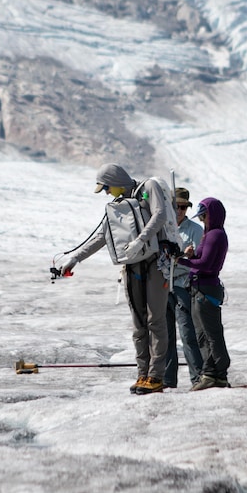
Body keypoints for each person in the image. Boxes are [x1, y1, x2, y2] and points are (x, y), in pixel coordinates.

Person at [58, 163, 172, 395]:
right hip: (132, 266)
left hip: (156, 261)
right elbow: (101, 236)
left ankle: (155, 376)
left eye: (107, 188)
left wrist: (140, 240)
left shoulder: (147, 187)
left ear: (117, 181)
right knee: (139, 323)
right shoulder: (116, 208)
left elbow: (159, 215)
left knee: (155, 321)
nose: (107, 193)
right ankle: (143, 373)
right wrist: (75, 258)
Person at [176, 197, 231, 389]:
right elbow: (202, 258)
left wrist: (181, 261)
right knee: (202, 334)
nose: (201, 220)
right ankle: (211, 373)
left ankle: (216, 374)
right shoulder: (211, 234)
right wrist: (191, 255)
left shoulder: (215, 235)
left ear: (212, 215)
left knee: (210, 334)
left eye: (204, 216)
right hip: (201, 288)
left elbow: (206, 265)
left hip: (206, 289)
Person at [163, 187, 204, 389]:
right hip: (163, 286)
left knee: (188, 334)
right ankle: (167, 380)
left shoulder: (196, 230)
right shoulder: (162, 228)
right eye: (176, 206)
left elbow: (200, 259)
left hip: (182, 286)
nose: (179, 211)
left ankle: (198, 377)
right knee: (166, 337)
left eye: (183, 207)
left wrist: (187, 256)